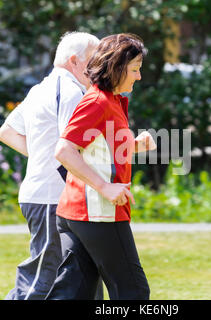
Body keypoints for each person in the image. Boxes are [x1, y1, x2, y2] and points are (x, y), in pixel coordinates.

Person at [0, 31, 103, 300]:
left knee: (72, 273)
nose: (99, 68)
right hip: (50, 198)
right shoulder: (69, 92)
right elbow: (71, 147)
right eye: (94, 61)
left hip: (47, 195)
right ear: (74, 61)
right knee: (42, 277)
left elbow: (7, 132)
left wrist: (42, 158)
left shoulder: (40, 88)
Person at [54, 33, 156, 300]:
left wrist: (134, 145)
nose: (139, 76)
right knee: (132, 291)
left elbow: (98, 149)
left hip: (79, 214)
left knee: (73, 293)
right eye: (134, 70)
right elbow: (64, 150)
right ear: (116, 67)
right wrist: (105, 187)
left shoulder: (113, 100)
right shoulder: (97, 101)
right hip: (99, 213)